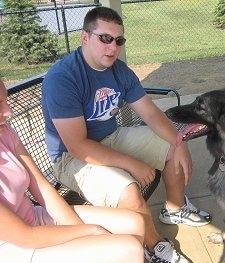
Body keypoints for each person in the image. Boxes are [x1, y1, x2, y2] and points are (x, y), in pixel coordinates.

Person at [42, 6, 211, 263]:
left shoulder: (119, 71)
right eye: (105, 38)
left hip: (112, 136)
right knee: (130, 191)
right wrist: (132, 164)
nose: (113, 47)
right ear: (85, 37)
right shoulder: (63, 78)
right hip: (71, 159)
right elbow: (78, 146)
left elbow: (152, 115)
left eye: (119, 40)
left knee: (170, 149)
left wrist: (179, 142)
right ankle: (154, 247)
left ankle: (174, 210)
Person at [0, 78, 145, 263]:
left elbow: (42, 187)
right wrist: (88, 231)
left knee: (134, 223)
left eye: (5, 100)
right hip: (13, 248)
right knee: (128, 249)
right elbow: (26, 237)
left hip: (35, 219)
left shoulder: (5, 132)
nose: (8, 112)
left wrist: (81, 233)